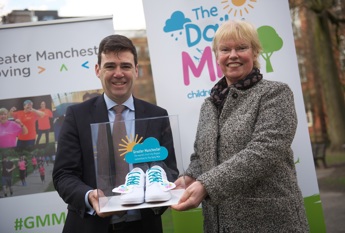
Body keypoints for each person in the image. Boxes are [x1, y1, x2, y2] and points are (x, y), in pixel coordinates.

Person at [171, 20, 309, 232]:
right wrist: (188, 178)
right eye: (225, 49)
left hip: (269, 221)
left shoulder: (275, 94)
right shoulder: (209, 105)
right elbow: (202, 156)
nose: (233, 55)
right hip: (217, 223)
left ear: (254, 53)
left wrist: (206, 185)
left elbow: (263, 151)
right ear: (217, 57)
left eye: (241, 47)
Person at [52, 34, 179, 233]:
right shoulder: (77, 116)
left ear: (136, 70)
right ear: (97, 70)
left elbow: (169, 170)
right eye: (110, 66)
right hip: (90, 226)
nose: (118, 73)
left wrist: (160, 193)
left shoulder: (157, 116)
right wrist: (89, 196)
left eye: (125, 66)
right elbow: (64, 175)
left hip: (143, 226)